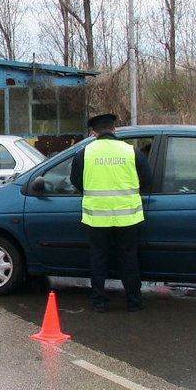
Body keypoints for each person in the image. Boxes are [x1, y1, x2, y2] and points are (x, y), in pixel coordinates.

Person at [70, 113, 152, 313]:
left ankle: (99, 302)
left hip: (97, 217)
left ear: (94, 132)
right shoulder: (131, 152)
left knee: (98, 259)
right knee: (129, 259)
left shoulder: (84, 154)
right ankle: (134, 301)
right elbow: (147, 180)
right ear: (114, 130)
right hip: (128, 217)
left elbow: (76, 181)